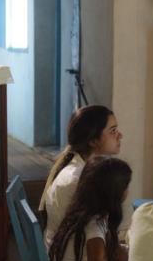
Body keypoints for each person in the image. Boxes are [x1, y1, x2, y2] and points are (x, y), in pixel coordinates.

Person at [40, 105, 123, 249]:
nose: (120, 135)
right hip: (74, 260)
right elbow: (97, 243)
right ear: (93, 141)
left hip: (67, 252)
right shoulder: (79, 180)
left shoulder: (80, 168)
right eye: (113, 131)